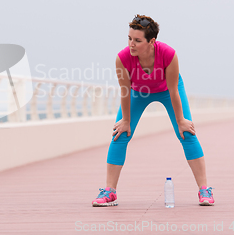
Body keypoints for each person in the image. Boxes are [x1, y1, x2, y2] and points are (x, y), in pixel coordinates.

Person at [92, 15, 215, 207]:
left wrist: (181, 120)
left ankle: (204, 190)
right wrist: (125, 120)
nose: (131, 44)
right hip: (138, 93)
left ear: (152, 42)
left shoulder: (168, 54)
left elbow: (174, 90)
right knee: (119, 134)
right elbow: (125, 91)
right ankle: (110, 192)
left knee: (187, 134)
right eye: (129, 38)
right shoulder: (122, 58)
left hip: (167, 91)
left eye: (137, 40)